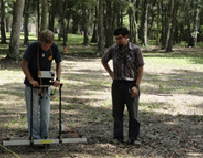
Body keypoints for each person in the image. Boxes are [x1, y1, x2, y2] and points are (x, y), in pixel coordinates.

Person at [101, 27, 144, 145]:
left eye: (119, 38)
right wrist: (111, 73)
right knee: (117, 112)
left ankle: (134, 137)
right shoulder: (113, 49)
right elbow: (104, 60)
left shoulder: (136, 50)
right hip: (117, 84)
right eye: (116, 39)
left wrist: (136, 85)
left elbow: (140, 69)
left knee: (133, 113)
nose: (117, 41)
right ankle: (118, 136)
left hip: (131, 84)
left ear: (126, 36)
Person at [21, 30, 62, 140]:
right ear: (40, 41)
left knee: (45, 112)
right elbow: (23, 64)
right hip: (32, 85)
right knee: (33, 112)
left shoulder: (54, 47)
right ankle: (34, 137)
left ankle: (44, 136)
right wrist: (30, 79)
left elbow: (59, 64)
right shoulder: (32, 47)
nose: (47, 47)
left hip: (45, 85)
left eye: (49, 44)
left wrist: (57, 78)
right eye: (44, 45)